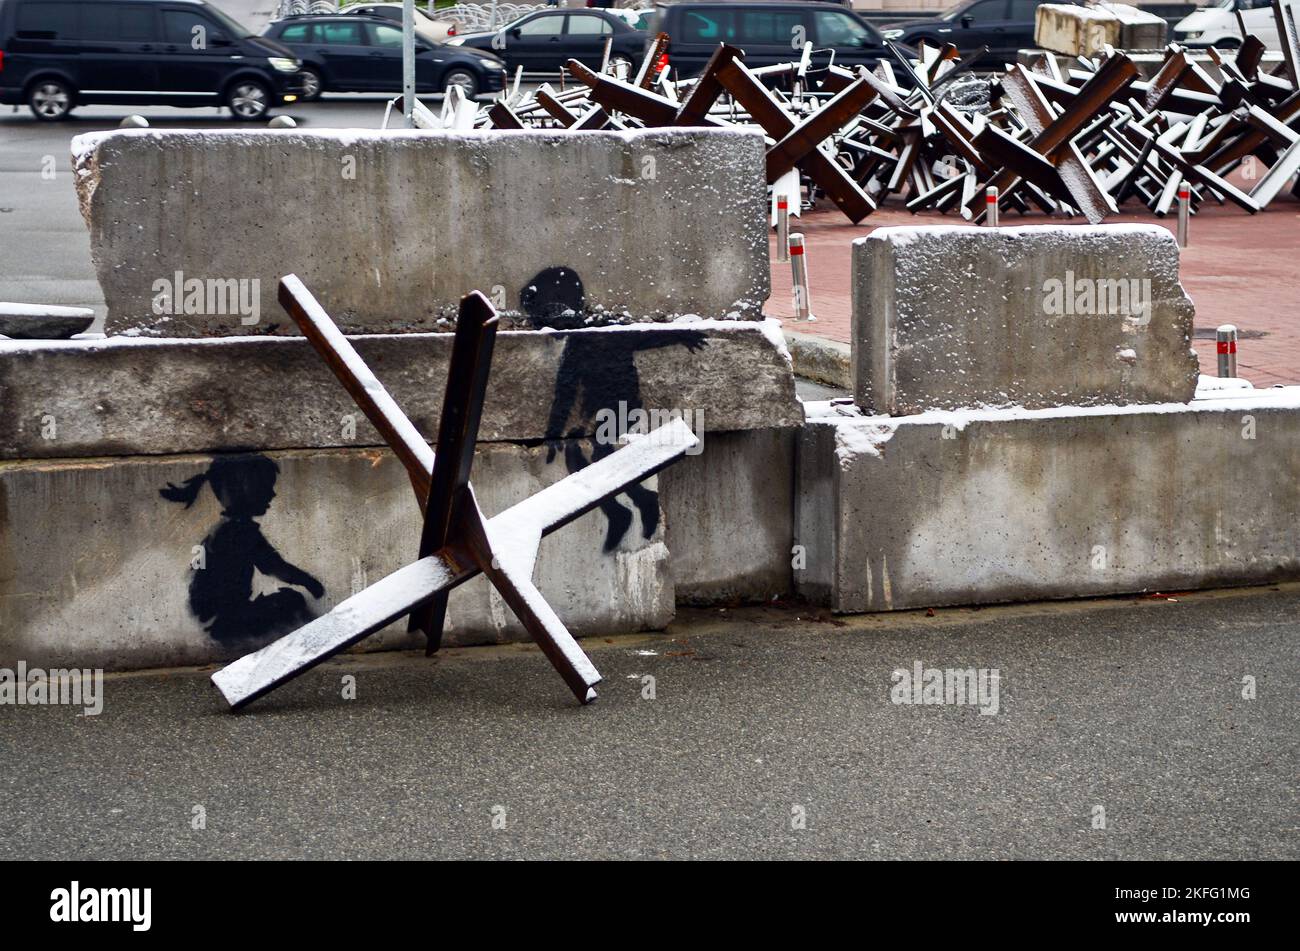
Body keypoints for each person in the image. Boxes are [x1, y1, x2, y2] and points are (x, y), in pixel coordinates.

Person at [161, 454, 324, 646]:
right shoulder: (240, 532)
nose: (272, 494)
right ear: (246, 490)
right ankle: (312, 645)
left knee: (287, 602)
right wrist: (311, 582)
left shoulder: (224, 530)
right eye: (266, 487)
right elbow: (274, 566)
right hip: (227, 621)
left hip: (217, 618)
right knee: (291, 602)